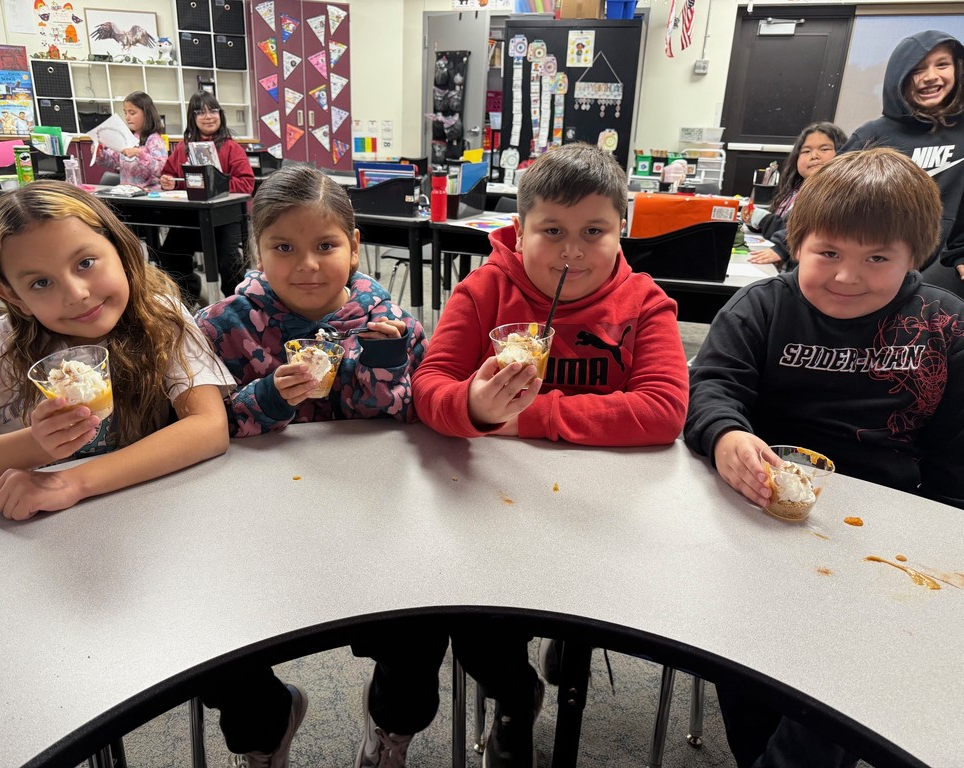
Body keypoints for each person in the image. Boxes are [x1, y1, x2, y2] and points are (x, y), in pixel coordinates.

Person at [685, 147, 964, 768]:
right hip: (761, 524)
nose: (846, 277)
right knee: (754, 677)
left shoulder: (944, 325)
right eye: (828, 253)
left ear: (914, 257)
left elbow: (955, 458)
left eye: (877, 258)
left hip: (888, 547)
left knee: (831, 709)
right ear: (798, 242)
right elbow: (711, 388)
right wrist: (726, 435)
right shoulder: (763, 306)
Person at [412, 142, 689, 766]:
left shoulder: (644, 303)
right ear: (519, 228)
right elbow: (430, 388)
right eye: (552, 231)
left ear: (622, 231)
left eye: (594, 231)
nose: (572, 251)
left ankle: (574, 642)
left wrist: (527, 415)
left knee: (593, 615)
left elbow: (665, 410)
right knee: (477, 626)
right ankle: (516, 696)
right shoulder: (485, 292)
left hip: (605, 516)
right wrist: (478, 408)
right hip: (496, 510)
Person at [193, 164, 428, 767]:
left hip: (365, 518)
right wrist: (270, 395)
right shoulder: (223, 328)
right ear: (256, 252)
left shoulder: (391, 324)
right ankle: (264, 730)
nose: (307, 265)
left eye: (326, 245)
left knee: (421, 627)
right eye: (283, 248)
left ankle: (390, 728)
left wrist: (380, 368)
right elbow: (200, 427)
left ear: (354, 247)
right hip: (253, 527)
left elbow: (406, 423)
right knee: (214, 641)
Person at [0, 180, 233, 520]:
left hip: (136, 514)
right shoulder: (0, 345)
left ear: (122, 249)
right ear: (15, 297)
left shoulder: (161, 316)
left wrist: (72, 483)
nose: (76, 293)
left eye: (85, 263)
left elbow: (210, 427)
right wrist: (34, 445)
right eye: (41, 283)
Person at [838, 31, 964, 295]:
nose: (931, 76)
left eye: (942, 64)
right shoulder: (872, 135)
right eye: (917, 69)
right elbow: (825, 201)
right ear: (900, 76)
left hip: (944, 272)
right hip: (873, 266)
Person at [157, 91, 255, 306]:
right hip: (192, 218)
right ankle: (191, 296)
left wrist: (215, 185)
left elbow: (246, 184)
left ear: (220, 115)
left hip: (225, 219)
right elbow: (170, 175)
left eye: (213, 111)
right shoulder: (183, 149)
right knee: (169, 253)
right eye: (200, 112)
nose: (208, 116)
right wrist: (168, 181)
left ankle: (237, 306)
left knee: (228, 262)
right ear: (193, 118)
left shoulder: (232, 148)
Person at [743, 121, 846, 267]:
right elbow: (782, 225)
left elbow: (809, 231)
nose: (814, 156)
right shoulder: (794, 191)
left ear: (843, 153)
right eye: (806, 151)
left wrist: (780, 246)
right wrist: (756, 223)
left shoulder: (839, 194)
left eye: (824, 149)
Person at [94, 91, 168, 190]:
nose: (127, 117)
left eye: (132, 113)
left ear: (146, 114)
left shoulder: (154, 139)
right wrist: (100, 153)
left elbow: (162, 169)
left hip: (148, 196)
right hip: (127, 193)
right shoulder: (126, 137)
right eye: (125, 112)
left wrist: (140, 154)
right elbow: (113, 162)